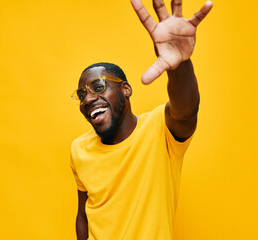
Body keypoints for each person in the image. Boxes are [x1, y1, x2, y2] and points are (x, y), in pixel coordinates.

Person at [70, 0, 213, 239]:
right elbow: (83, 213)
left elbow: (186, 110)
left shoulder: (160, 129)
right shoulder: (79, 149)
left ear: (126, 89)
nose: (87, 99)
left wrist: (180, 64)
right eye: (82, 95)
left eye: (98, 86)